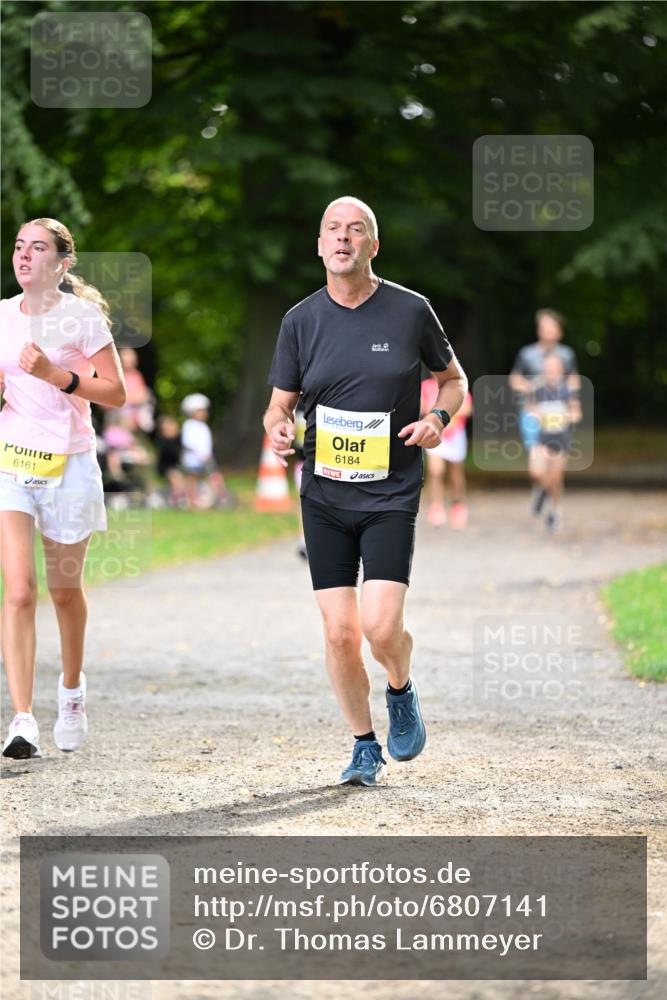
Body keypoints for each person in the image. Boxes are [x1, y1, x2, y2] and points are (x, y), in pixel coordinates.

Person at [264, 196, 467, 786]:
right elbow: (279, 405)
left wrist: (437, 420)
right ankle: (362, 745)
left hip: (390, 492)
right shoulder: (300, 321)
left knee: (379, 628)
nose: (344, 238)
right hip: (324, 494)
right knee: (338, 631)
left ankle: (400, 687)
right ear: (320, 245)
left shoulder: (410, 310)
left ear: (373, 246)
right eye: (333, 229)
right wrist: (277, 428)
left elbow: (451, 380)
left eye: (357, 230)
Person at [0, 218, 126, 759]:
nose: (25, 255)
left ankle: (71, 691)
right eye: (19, 247)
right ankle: (22, 718)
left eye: (38, 248)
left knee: (64, 592)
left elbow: (116, 393)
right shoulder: (2, 316)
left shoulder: (83, 318)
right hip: (12, 464)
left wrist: (58, 376)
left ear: (62, 263)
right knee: (20, 591)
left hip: (69, 465)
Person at [509, 309, 580, 514]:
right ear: (539, 330)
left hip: (558, 413)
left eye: (552, 327)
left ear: (559, 331)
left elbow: (573, 379)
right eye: (544, 327)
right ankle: (541, 486)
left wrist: (571, 402)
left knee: (555, 465)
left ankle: (551, 504)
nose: (548, 331)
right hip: (532, 414)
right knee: (537, 465)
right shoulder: (527, 353)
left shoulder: (567, 354)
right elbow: (514, 380)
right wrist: (533, 388)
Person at [525, 353, 581, 531]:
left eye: (554, 369)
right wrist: (535, 413)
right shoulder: (538, 390)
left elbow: (577, 414)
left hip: (560, 439)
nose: (550, 372)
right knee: (537, 473)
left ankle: (555, 512)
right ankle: (541, 491)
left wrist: (566, 417)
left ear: (561, 371)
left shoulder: (567, 391)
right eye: (547, 369)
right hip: (542, 438)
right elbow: (529, 408)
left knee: (556, 479)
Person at [420, 375, 472, 528]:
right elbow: (422, 407)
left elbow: (467, 409)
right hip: (434, 432)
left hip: (455, 434)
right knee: (436, 471)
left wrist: (443, 412)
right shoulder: (426, 386)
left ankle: (458, 505)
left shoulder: (457, 383)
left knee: (455, 474)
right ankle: (436, 506)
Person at [180, 393, 231, 510]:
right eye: (200, 410)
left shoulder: (203, 426)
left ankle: (218, 498)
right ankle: (191, 501)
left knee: (213, 477)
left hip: (206, 458)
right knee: (192, 479)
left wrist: (207, 454)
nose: (204, 413)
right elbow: (188, 442)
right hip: (193, 459)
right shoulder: (189, 425)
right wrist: (198, 453)